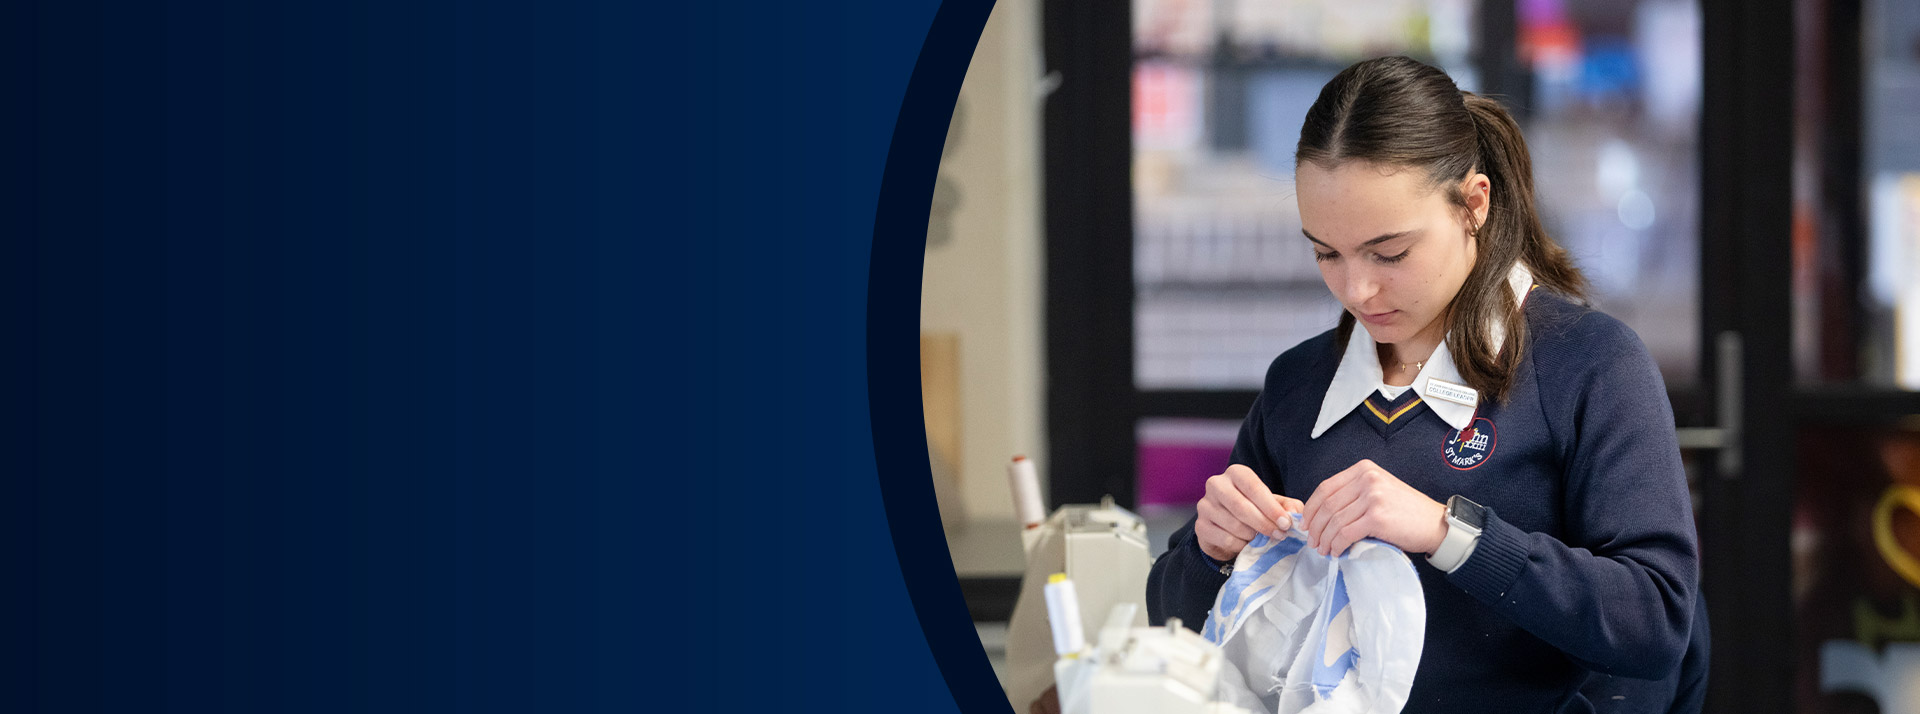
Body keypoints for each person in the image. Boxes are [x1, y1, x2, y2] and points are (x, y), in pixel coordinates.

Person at [1144, 56, 1702, 713]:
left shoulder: (1589, 365)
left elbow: (1656, 619)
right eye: (1326, 252)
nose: (1358, 289)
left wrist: (1447, 532)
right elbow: (1178, 627)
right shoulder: (1300, 385)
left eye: (1390, 253)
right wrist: (1211, 550)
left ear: (1474, 205)